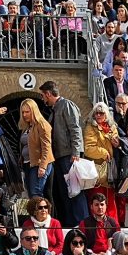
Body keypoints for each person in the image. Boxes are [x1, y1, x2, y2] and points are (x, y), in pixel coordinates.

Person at [41, 80, 87, 227]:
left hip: (69, 156)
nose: (43, 99)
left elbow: (75, 128)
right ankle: (70, 224)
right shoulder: (54, 110)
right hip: (60, 157)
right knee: (65, 193)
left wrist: (76, 152)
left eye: (43, 95)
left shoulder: (66, 105)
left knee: (75, 191)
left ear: (48, 94)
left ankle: (81, 224)